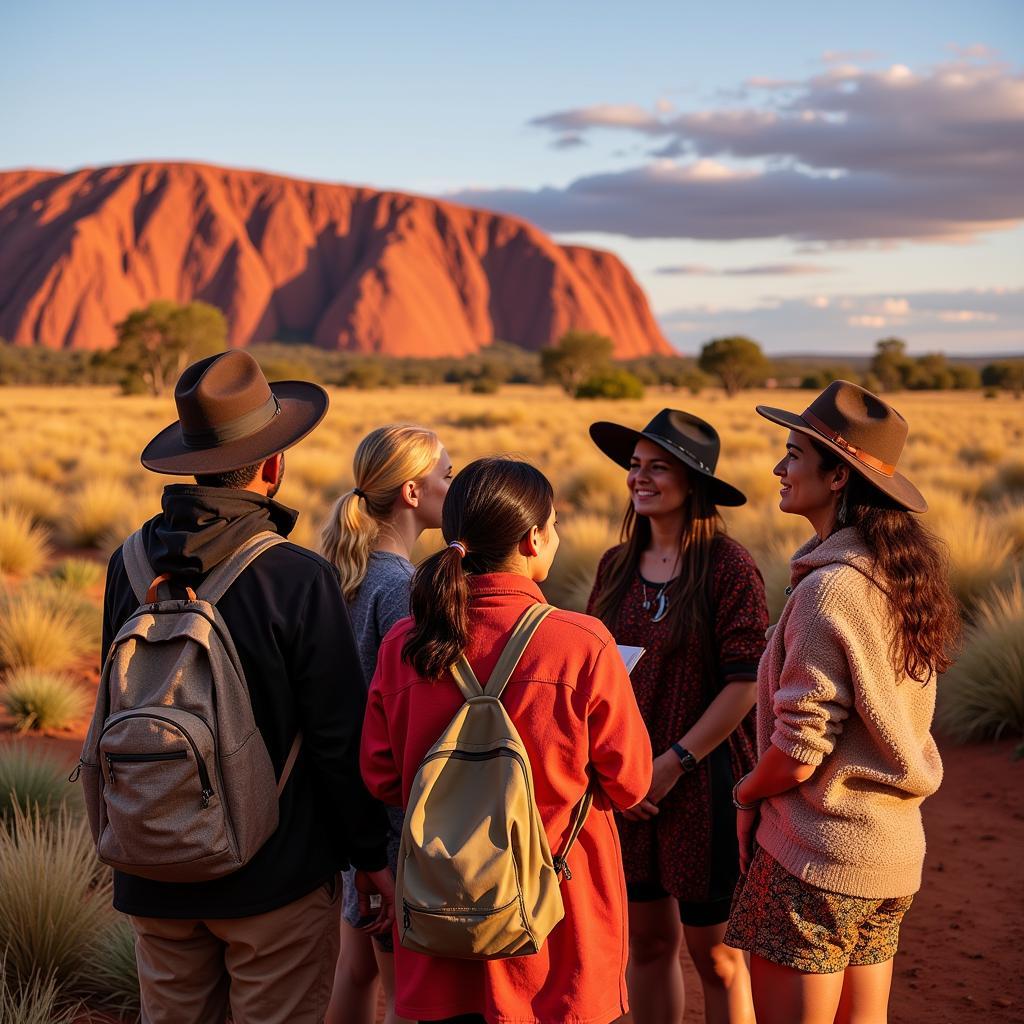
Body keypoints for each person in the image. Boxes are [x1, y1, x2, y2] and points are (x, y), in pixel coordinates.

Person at [100, 350, 393, 1024]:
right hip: (275, 879)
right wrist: (368, 855)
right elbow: (334, 735)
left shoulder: (128, 563)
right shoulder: (293, 574)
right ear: (273, 464)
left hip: (153, 867)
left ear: (190, 461)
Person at [360, 456, 653, 1024]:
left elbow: (381, 777)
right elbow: (631, 783)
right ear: (532, 537)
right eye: (556, 524)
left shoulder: (405, 643)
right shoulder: (581, 643)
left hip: (442, 919)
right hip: (557, 932)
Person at [725, 381, 960, 1024]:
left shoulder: (831, 590)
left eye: (793, 454)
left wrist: (746, 792)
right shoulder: (894, 577)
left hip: (818, 857)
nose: (778, 468)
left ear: (836, 477)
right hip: (888, 856)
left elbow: (800, 752)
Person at [586, 409, 767, 1024]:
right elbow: (596, 678)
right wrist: (623, 772)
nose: (639, 478)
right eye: (635, 467)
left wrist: (673, 762)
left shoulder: (728, 567)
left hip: (704, 783)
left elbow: (746, 683)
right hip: (629, 784)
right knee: (649, 944)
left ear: (693, 483)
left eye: (657, 468)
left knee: (715, 955)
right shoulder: (613, 568)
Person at [321, 424, 452, 1024]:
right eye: (445, 476)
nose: (452, 487)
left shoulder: (341, 573)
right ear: (410, 491)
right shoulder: (401, 587)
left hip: (346, 802)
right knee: (407, 995)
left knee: (354, 970)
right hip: (391, 812)